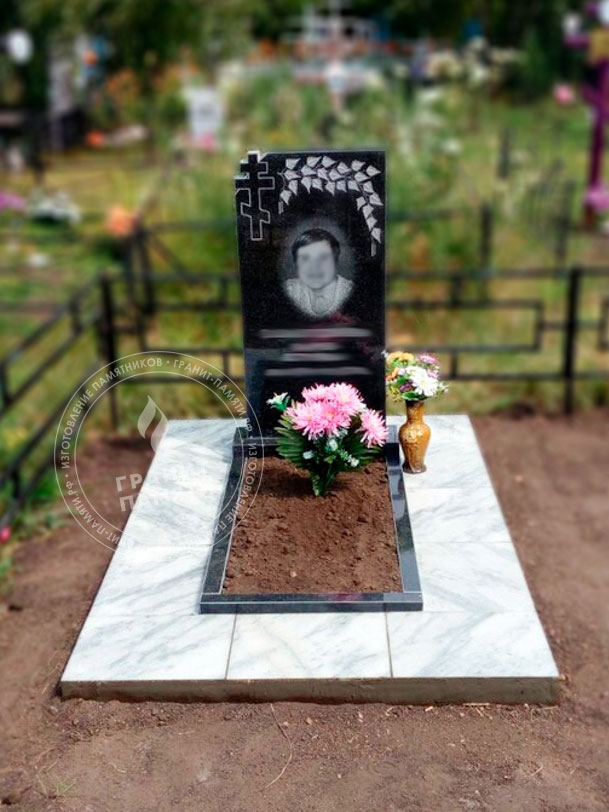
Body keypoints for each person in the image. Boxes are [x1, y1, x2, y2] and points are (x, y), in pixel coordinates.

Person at [285, 228, 353, 318]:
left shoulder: (351, 291)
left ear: (335, 259)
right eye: (305, 258)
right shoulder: (289, 289)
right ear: (296, 263)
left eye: (323, 257)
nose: (315, 266)